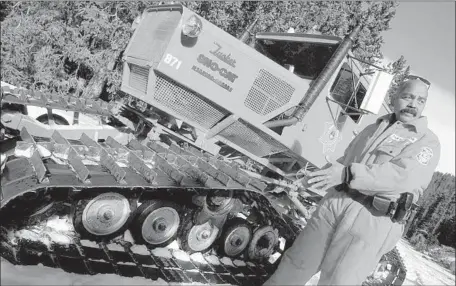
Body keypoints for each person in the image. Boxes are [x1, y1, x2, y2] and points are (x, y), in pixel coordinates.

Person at [264, 77, 441, 285]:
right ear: (394, 98)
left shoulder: (426, 141)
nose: (413, 104)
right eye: (407, 97)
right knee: (295, 263)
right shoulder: (371, 129)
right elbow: (345, 161)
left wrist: (348, 175)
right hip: (335, 204)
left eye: (420, 100)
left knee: (339, 281)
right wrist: (313, 179)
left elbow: (402, 177)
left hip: (372, 218)